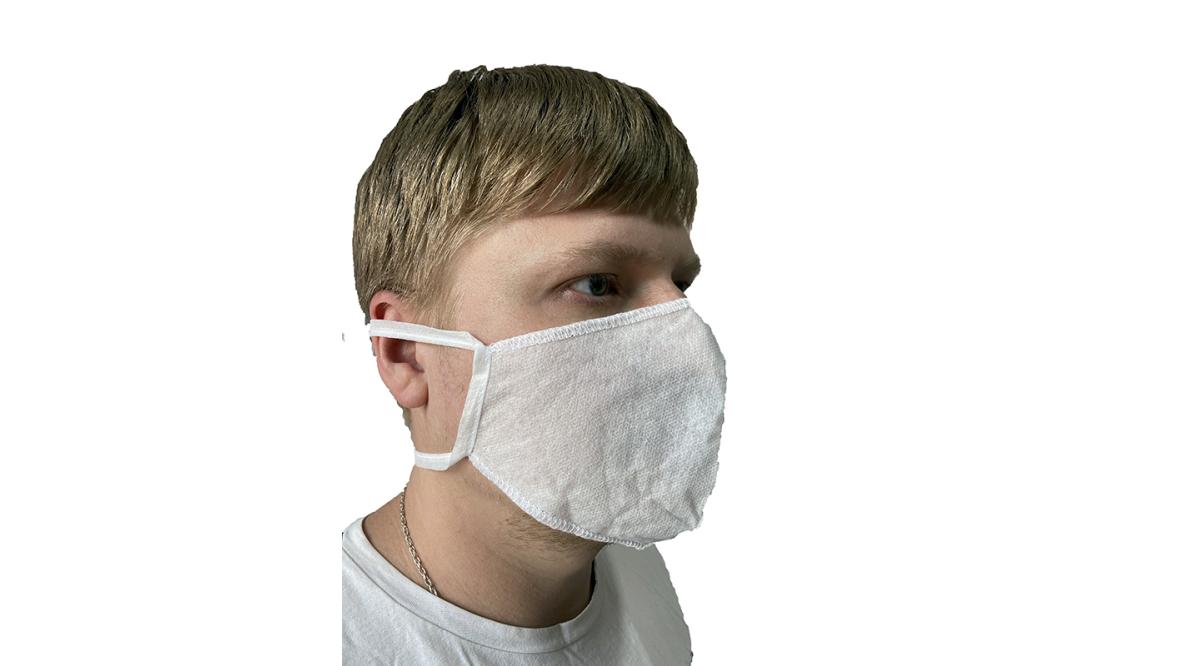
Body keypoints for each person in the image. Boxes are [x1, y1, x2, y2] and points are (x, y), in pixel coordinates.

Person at [342, 64, 728, 664]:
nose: (685, 344)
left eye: (680, 284)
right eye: (597, 283)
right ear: (408, 353)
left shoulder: (638, 576)